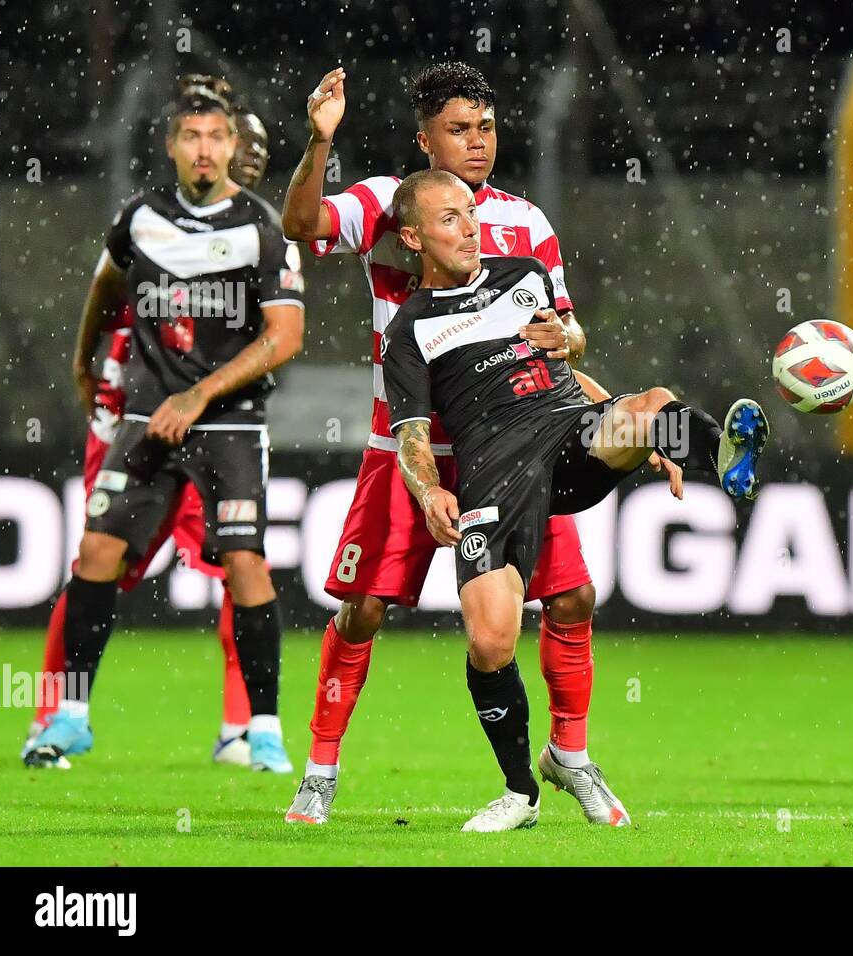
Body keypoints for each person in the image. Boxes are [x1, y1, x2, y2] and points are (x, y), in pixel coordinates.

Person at [281, 63, 675, 825]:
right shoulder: (387, 203)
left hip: (524, 436)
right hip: (407, 444)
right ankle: (321, 768)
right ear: (423, 138)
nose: (476, 143)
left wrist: (604, 376)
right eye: (458, 129)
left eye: (486, 128)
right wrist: (317, 142)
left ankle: (570, 756)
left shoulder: (528, 226)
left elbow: (560, 344)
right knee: (362, 609)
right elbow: (303, 225)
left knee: (573, 595)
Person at [381, 168, 767, 831]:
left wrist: (615, 405)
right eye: (449, 219)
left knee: (650, 404)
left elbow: (571, 355)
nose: (469, 227)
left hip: (566, 430)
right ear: (413, 237)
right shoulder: (410, 330)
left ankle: (712, 452)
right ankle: (520, 793)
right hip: (495, 469)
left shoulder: (523, 273)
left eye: (470, 213)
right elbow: (413, 437)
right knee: (491, 639)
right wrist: (427, 489)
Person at [23, 83, 305, 773]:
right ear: (173, 144)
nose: (206, 151)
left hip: (229, 423)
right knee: (95, 554)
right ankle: (65, 716)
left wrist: (202, 392)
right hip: (146, 417)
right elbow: (105, 288)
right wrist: (84, 364)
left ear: (235, 148)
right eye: (192, 137)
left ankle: (256, 729)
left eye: (218, 138)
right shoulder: (139, 219)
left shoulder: (262, 228)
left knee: (243, 566)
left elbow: (286, 335)